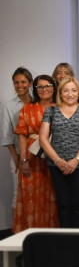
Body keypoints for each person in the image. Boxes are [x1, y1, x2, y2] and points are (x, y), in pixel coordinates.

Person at [39, 77, 79, 228]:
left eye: (74, 90)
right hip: (56, 165)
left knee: (77, 204)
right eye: (66, 90)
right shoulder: (51, 111)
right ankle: (64, 241)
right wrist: (57, 160)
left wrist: (76, 160)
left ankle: (78, 241)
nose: (70, 94)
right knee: (63, 204)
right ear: (60, 93)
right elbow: (43, 139)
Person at [13, 75, 59, 232]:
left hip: (55, 159)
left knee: (53, 198)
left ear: (54, 87)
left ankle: (52, 239)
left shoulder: (60, 107)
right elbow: (21, 134)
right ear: (35, 89)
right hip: (32, 159)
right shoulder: (27, 108)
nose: (44, 90)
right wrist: (23, 159)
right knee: (31, 198)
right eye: (40, 87)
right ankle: (29, 239)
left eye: (47, 86)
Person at [1, 67, 33, 211]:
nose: (20, 86)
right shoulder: (8, 105)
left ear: (30, 83)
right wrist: (17, 159)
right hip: (19, 157)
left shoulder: (37, 102)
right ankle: (18, 232)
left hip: (37, 157)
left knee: (35, 196)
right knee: (18, 195)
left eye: (23, 82)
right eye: (16, 82)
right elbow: (7, 136)